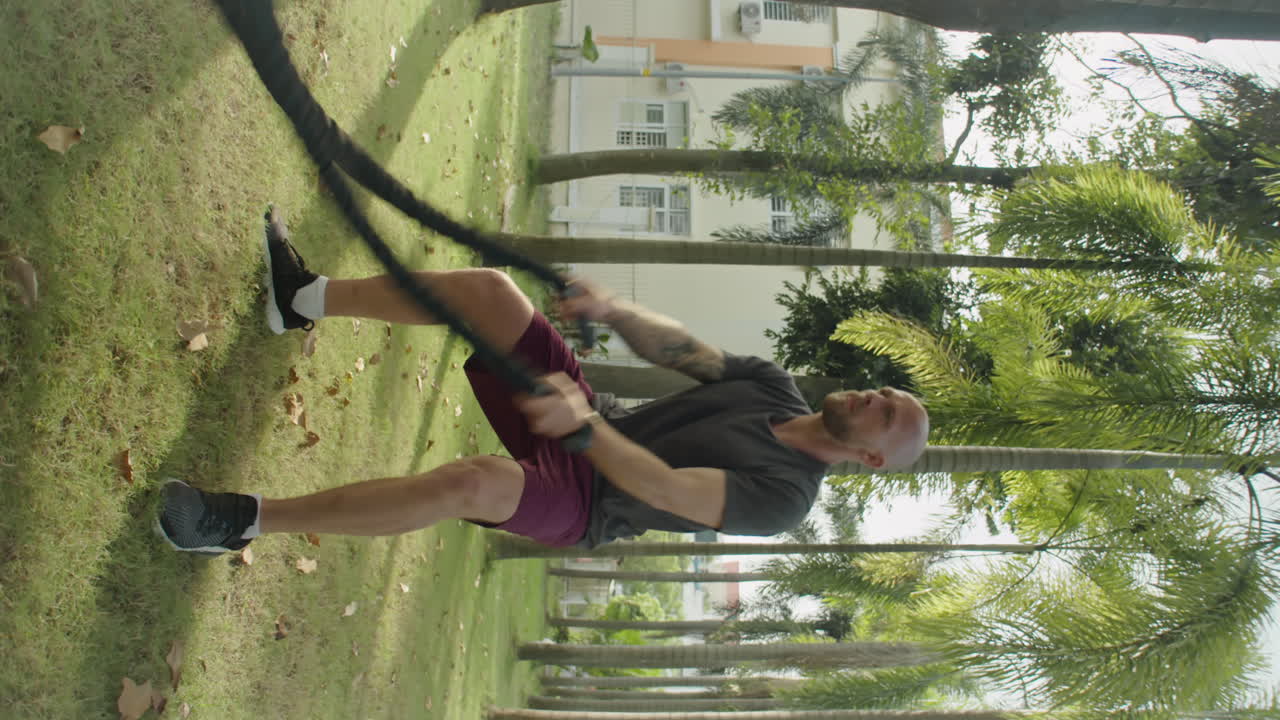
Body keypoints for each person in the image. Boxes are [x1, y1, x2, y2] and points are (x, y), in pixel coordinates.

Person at [157, 208, 929, 555]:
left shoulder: (784, 500)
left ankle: (241, 521)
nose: (874, 399)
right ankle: (301, 299)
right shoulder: (775, 388)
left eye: (886, 418)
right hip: (588, 420)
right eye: (886, 393)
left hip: (592, 500)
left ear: (868, 460)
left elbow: (663, 489)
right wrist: (611, 307)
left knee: (476, 482)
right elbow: (686, 353)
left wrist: (586, 432)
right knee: (494, 293)